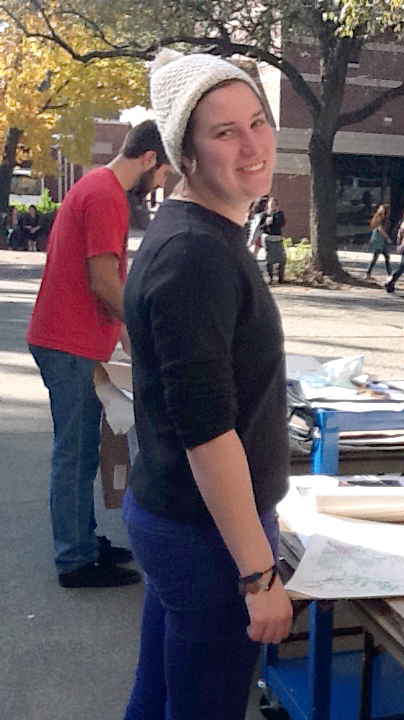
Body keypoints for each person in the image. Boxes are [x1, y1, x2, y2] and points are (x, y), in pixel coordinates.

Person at [121, 49, 293, 718]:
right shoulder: (194, 254)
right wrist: (257, 575)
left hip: (181, 518)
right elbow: (206, 431)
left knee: (161, 697)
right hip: (207, 537)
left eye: (258, 121)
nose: (252, 145)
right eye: (225, 132)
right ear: (184, 151)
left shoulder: (203, 235)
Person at [25, 120, 174, 588]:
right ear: (149, 159)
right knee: (74, 453)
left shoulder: (95, 185)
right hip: (68, 341)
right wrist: (136, 331)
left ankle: (83, 540)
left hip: (67, 338)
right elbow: (104, 281)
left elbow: (105, 282)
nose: (162, 185)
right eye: (165, 174)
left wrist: (126, 335)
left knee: (81, 450)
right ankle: (75, 558)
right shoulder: (108, 195)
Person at [262, 196, 287, 283]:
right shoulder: (265, 215)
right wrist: (266, 223)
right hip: (268, 238)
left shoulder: (279, 214)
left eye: (274, 204)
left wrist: (275, 218)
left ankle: (281, 277)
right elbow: (261, 227)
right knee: (269, 259)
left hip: (278, 238)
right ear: (268, 205)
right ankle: (270, 277)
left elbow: (283, 223)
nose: (272, 206)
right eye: (271, 204)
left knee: (282, 258)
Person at [365, 202, 393, 278]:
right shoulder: (382, 219)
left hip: (378, 239)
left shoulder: (377, 217)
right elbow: (380, 228)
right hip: (380, 239)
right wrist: (387, 237)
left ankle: (369, 273)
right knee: (383, 256)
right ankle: (389, 274)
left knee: (380, 256)